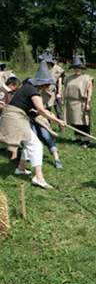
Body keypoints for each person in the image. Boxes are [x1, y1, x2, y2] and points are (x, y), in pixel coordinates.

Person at [0, 61, 65, 189]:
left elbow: (32, 109)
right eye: (48, 84)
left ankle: (21, 168)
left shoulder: (27, 87)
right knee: (36, 145)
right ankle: (39, 178)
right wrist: (58, 121)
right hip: (15, 119)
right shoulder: (32, 90)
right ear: (43, 83)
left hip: (15, 117)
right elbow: (41, 110)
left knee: (28, 143)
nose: (48, 87)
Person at [63, 55, 93, 148]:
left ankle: (86, 140)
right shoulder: (69, 78)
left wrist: (88, 103)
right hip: (71, 103)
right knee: (74, 121)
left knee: (83, 121)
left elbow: (89, 91)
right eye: (75, 67)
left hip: (81, 102)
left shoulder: (87, 78)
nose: (77, 69)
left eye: (79, 67)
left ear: (82, 68)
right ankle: (78, 137)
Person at [38, 52, 65, 125]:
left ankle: (62, 126)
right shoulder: (42, 68)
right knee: (46, 110)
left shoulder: (57, 69)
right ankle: (47, 125)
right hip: (45, 92)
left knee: (59, 111)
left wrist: (59, 92)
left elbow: (59, 81)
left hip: (55, 92)